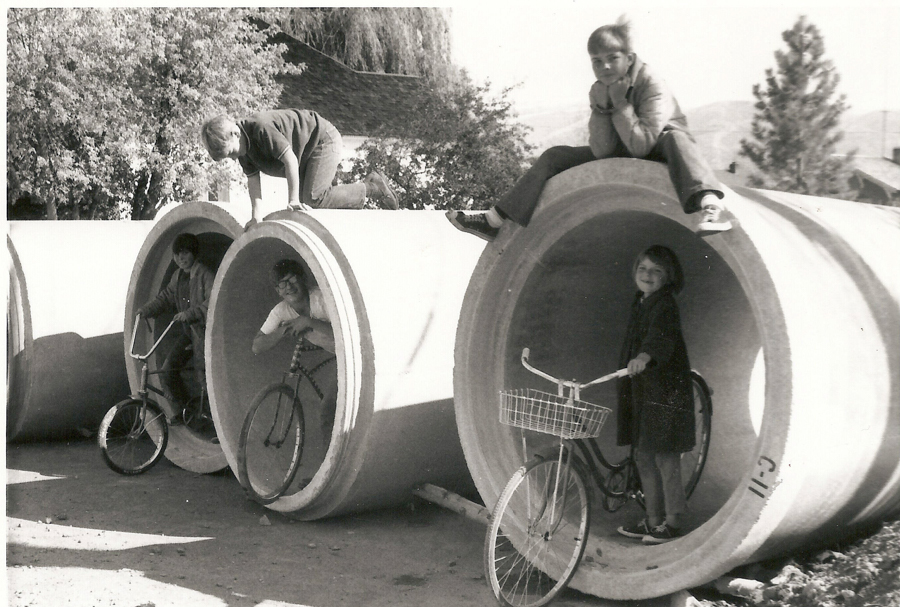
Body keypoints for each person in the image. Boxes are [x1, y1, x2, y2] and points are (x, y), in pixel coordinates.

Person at [446, 16, 731, 242]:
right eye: (597, 61)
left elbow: (643, 146)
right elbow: (603, 150)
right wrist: (604, 106)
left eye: (612, 58)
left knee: (675, 138)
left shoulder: (652, 84)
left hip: (661, 148)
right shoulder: (599, 90)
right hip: (625, 145)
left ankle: (710, 204)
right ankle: (493, 222)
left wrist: (619, 105)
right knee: (555, 156)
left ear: (629, 58)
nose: (604, 66)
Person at [615, 245, 695, 545]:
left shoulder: (665, 304)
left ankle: (673, 522)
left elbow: (661, 336)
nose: (647, 275)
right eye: (643, 268)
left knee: (664, 457)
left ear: (668, 277)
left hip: (665, 391)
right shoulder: (641, 301)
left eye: (656, 271)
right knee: (644, 456)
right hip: (644, 391)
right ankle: (653, 520)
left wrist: (644, 356)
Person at [201, 109, 399, 229]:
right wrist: (256, 217)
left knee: (313, 198)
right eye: (229, 157)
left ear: (235, 133)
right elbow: (253, 182)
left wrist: (293, 200)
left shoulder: (260, 129)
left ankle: (373, 187)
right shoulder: (244, 151)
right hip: (306, 155)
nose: (234, 157)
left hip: (322, 140)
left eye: (232, 152)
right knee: (311, 203)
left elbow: (290, 160)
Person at [252, 259, 337, 437]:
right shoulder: (281, 311)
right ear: (277, 290)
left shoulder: (321, 298)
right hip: (339, 354)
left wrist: (308, 322)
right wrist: (284, 330)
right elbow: (257, 346)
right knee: (331, 410)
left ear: (303, 279)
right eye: (281, 285)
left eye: (292, 280)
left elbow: (350, 333)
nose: (288, 287)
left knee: (328, 412)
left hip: (354, 355)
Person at [136, 233, 215, 425]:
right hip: (190, 333)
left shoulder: (204, 274)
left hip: (206, 334)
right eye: (177, 254)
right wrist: (146, 310)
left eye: (185, 253)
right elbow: (166, 297)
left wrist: (191, 313)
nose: (181, 258)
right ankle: (185, 411)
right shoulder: (178, 276)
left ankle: (215, 423)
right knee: (168, 369)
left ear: (194, 254)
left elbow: (213, 302)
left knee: (205, 376)